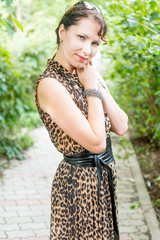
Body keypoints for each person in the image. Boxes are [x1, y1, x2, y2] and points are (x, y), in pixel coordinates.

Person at [35, 1, 128, 239]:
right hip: (78, 186)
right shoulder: (50, 84)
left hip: (103, 178)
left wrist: (94, 82)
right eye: (81, 37)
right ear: (62, 31)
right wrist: (91, 87)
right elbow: (97, 143)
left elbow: (121, 125)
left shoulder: (87, 73)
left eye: (95, 42)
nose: (87, 49)